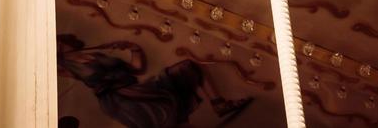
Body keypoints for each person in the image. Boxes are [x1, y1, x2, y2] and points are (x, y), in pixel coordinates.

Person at [56, 35, 252, 127]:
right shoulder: (68, 68)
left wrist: (133, 48)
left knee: (187, 68)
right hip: (122, 100)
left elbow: (136, 69)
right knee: (166, 117)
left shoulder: (96, 54)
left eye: (58, 42)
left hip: (135, 89)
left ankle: (220, 104)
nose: (57, 45)